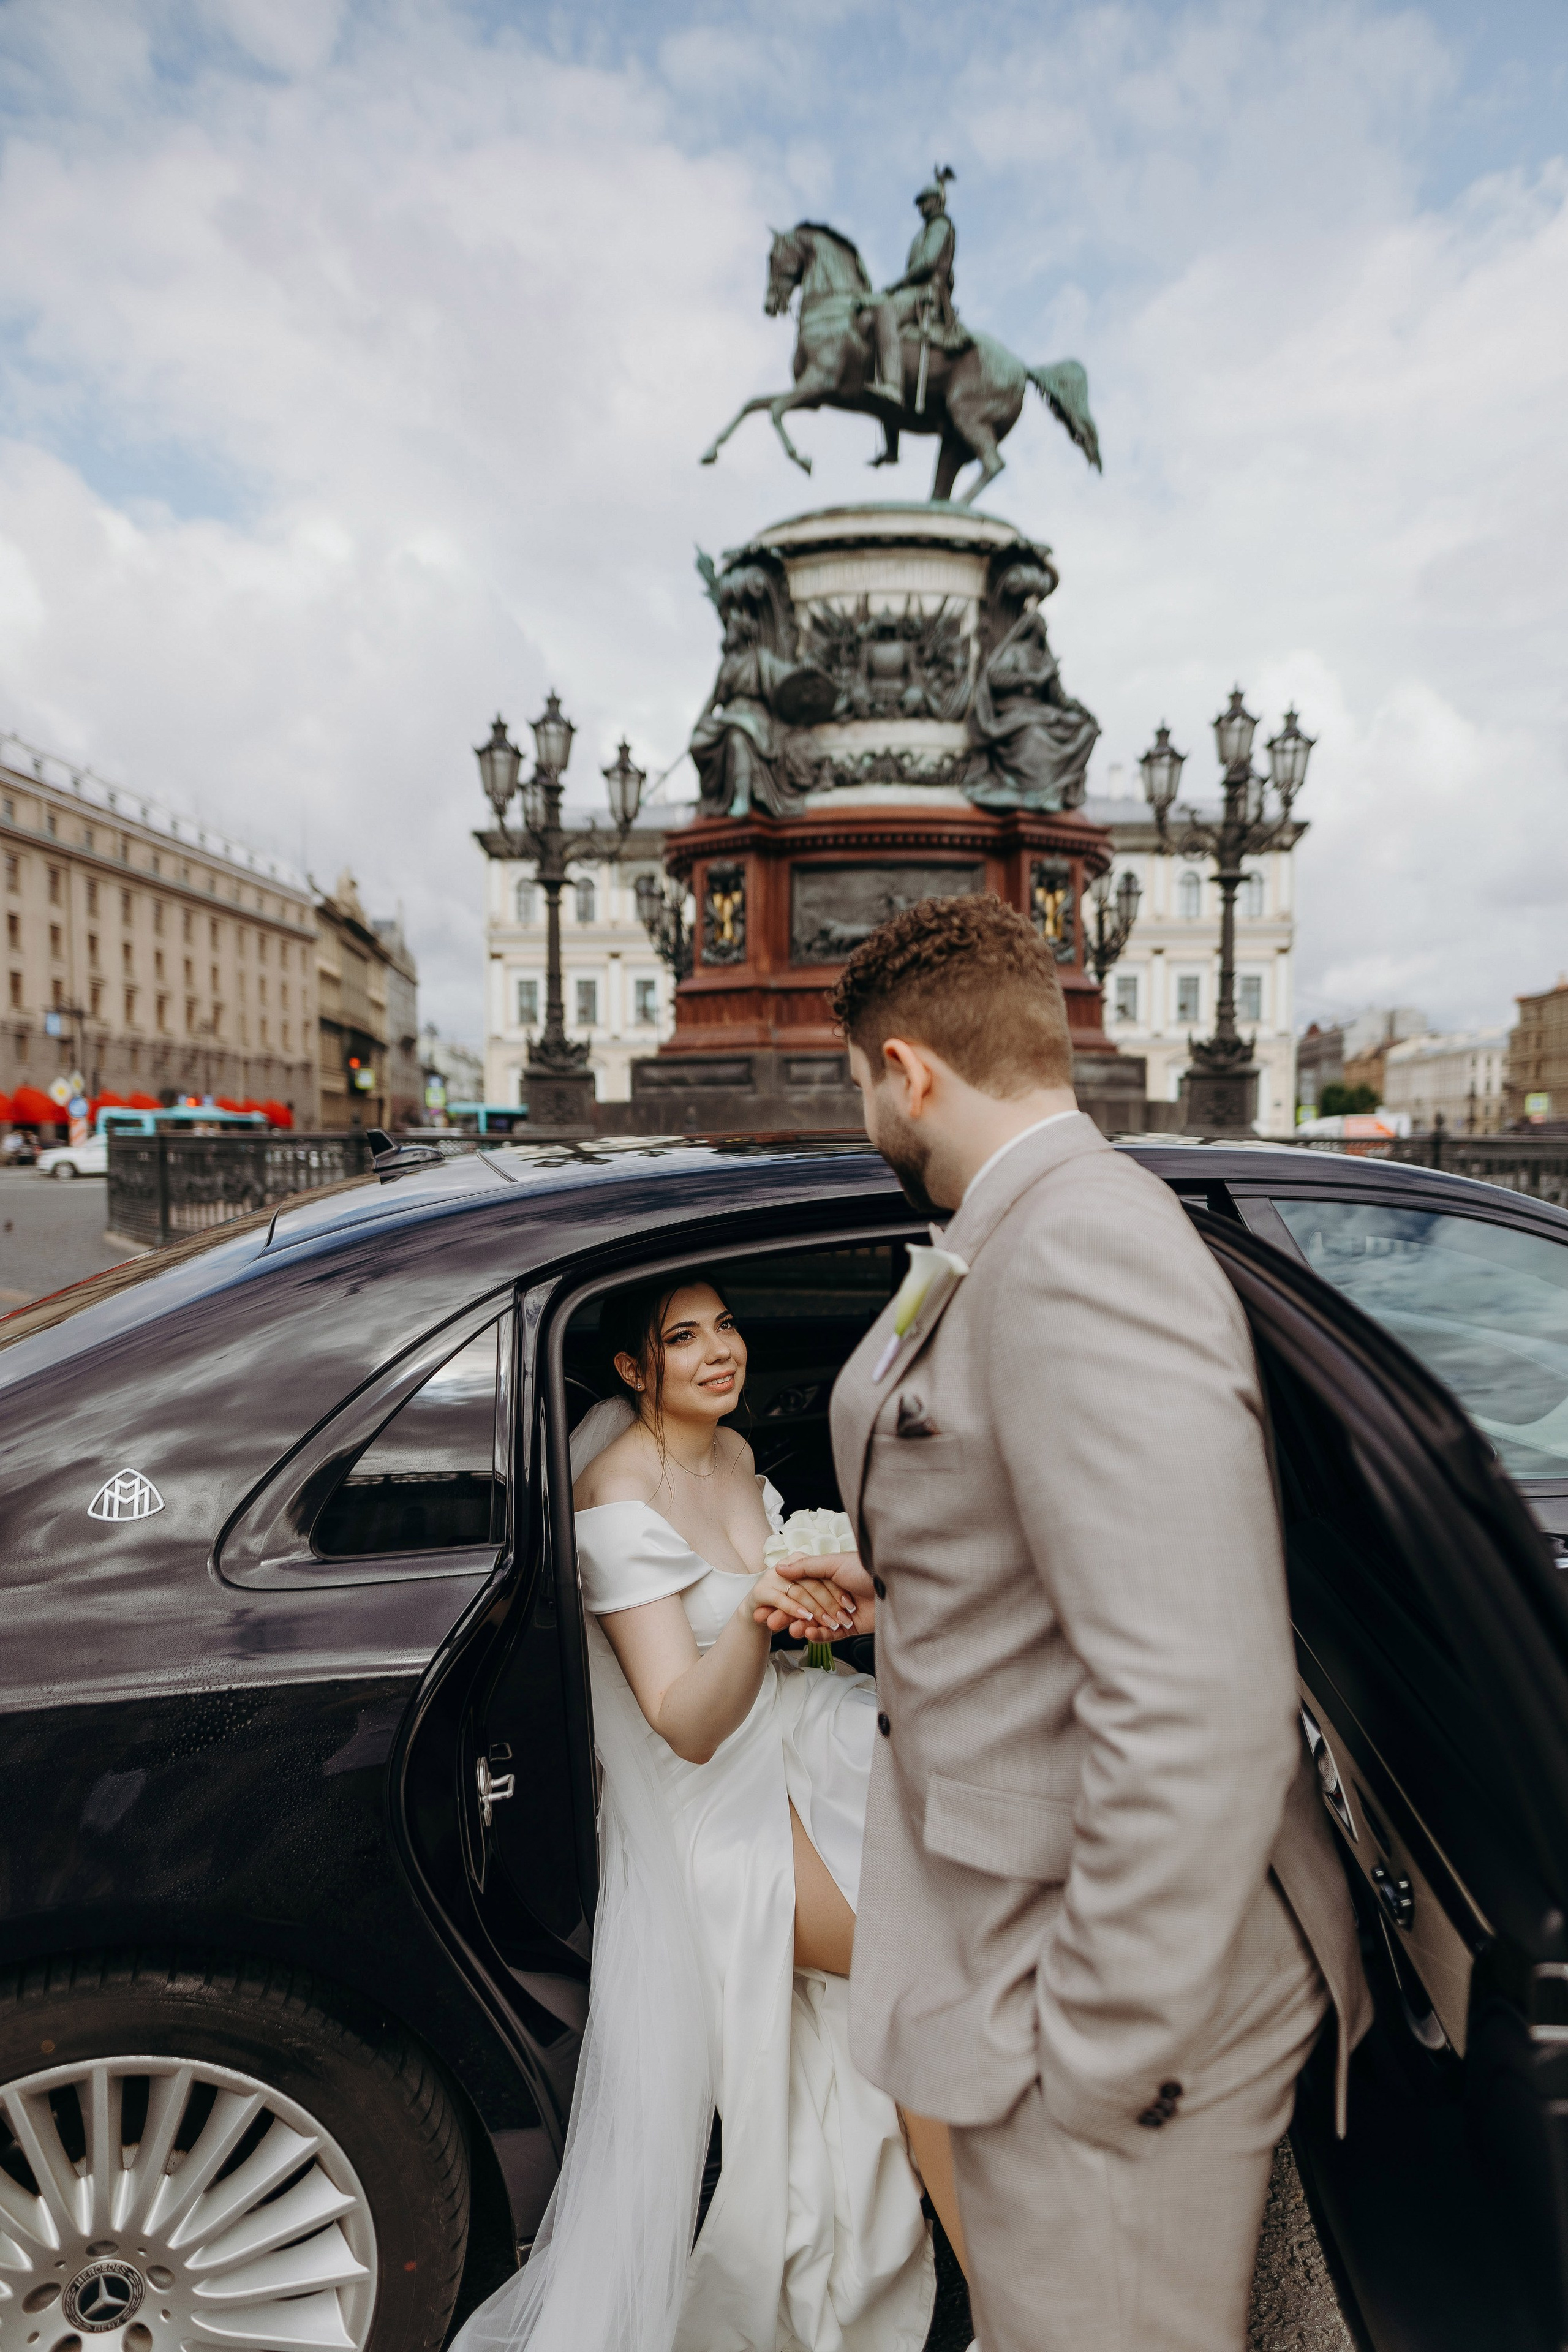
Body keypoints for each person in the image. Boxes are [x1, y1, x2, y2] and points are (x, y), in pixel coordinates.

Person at [824, 894, 1372, 2352]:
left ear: (906, 1069)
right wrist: (920, 1589)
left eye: (858, 1084)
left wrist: (1098, 2051)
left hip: (1107, 1995)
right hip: (1028, 1943)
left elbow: (1196, 1695)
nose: (863, 1111)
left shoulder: (1073, 1249)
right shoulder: (1009, 1225)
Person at [453, 1274, 956, 2352]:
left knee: (975, 1898)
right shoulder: (615, 1495)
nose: (721, 1351)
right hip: (711, 1809)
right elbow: (684, 1721)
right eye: (684, 1339)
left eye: (725, 1324)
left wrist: (818, 1620)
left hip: (800, 1739)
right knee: (933, 1978)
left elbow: (780, 1639)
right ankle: (1017, 2300)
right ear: (636, 1371)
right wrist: (759, 1627)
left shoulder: (730, 1454)